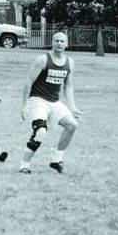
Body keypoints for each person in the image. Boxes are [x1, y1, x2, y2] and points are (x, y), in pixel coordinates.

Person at [19, 32, 83, 174]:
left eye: (62, 41)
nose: (59, 44)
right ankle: (24, 165)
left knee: (72, 125)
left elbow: (68, 86)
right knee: (40, 131)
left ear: (67, 44)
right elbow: (28, 82)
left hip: (54, 102)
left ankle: (56, 160)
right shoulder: (42, 59)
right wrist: (24, 105)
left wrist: (72, 107)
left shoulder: (70, 62)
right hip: (37, 100)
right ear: (52, 42)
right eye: (56, 41)